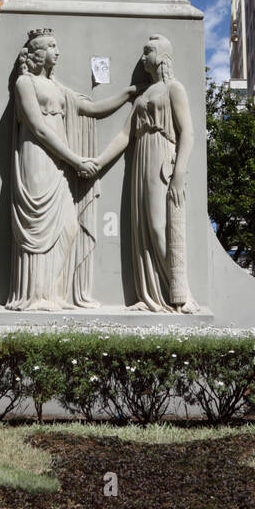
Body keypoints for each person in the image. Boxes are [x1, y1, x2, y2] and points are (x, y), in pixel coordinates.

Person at [7, 29, 136, 310]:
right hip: (38, 160)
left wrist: (128, 94)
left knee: (67, 227)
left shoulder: (58, 89)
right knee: (39, 228)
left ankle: (54, 294)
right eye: (52, 47)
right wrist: (76, 160)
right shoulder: (24, 84)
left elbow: (93, 109)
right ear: (39, 53)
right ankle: (35, 297)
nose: (58, 52)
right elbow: (39, 129)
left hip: (60, 162)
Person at [89, 35, 199, 313]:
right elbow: (125, 135)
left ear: (162, 56)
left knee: (159, 226)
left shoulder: (174, 89)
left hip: (162, 154)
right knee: (142, 228)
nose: (142, 58)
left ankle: (181, 295)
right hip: (140, 158)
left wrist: (179, 174)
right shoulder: (142, 96)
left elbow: (187, 132)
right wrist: (98, 162)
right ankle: (151, 296)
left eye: (148, 52)